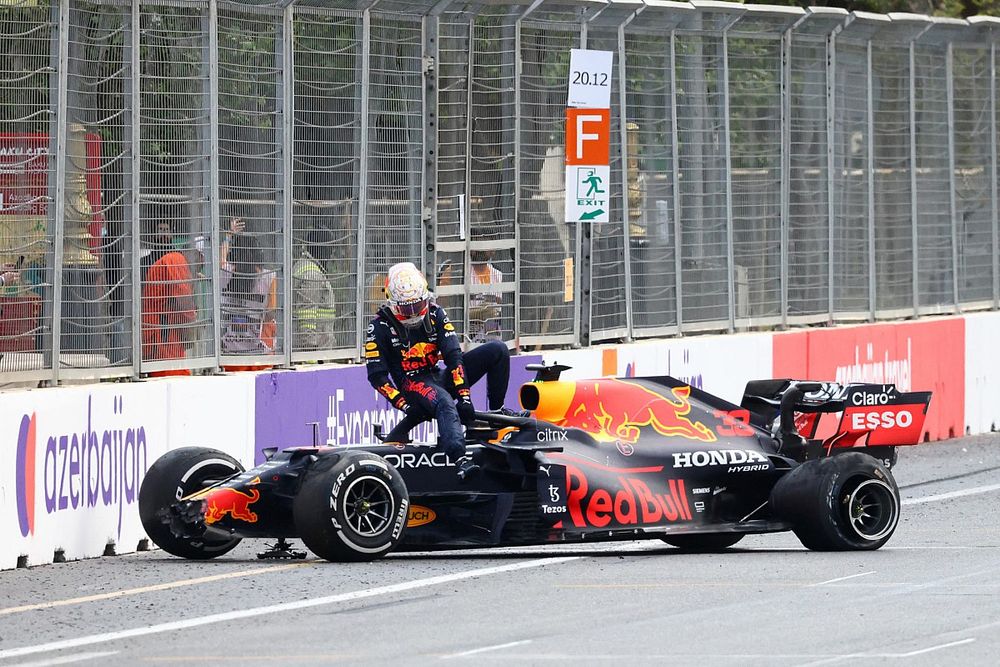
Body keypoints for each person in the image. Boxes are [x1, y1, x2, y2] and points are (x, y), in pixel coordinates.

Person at [365, 262, 528, 479]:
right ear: (393, 304)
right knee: (443, 400)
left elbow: (454, 357)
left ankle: (497, 412)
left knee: (497, 349)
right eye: (406, 308)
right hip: (411, 384)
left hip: (438, 376)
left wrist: (465, 397)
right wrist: (404, 406)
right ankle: (459, 459)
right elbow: (377, 376)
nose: (413, 313)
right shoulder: (378, 327)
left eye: (417, 305)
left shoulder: (436, 313)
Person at [140, 221, 197, 377]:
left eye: (166, 230)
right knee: (171, 371)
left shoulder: (171, 260)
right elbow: (183, 296)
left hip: (154, 326)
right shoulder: (175, 261)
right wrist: (191, 324)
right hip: (164, 327)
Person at [220, 228, 277, 358]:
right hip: (259, 351)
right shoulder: (269, 277)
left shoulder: (226, 272)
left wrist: (228, 236)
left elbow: (221, 258)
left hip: (230, 351)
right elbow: (271, 313)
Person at [292, 230, 337, 350]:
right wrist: (311, 354)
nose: (332, 254)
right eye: (330, 248)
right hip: (315, 352)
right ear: (322, 248)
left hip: (311, 348)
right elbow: (306, 315)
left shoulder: (301, 266)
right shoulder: (313, 275)